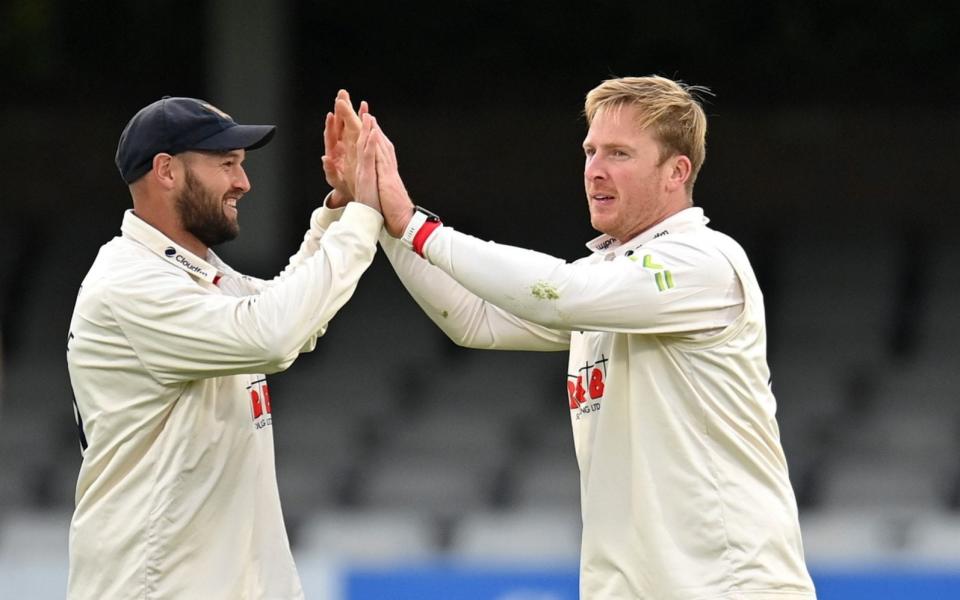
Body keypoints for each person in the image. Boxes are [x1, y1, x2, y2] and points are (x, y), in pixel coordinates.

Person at [331, 78, 817, 599]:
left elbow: (559, 292)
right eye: (590, 151)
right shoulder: (610, 279)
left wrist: (415, 226)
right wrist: (381, 215)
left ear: (677, 171)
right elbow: (473, 319)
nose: (595, 169)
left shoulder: (705, 261)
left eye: (620, 153)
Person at [65, 94, 383, 599]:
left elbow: (290, 313)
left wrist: (340, 210)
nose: (243, 182)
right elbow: (275, 334)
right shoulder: (129, 282)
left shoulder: (187, 271)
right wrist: (367, 211)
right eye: (227, 164)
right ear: (166, 171)